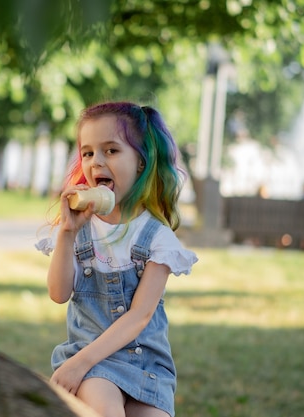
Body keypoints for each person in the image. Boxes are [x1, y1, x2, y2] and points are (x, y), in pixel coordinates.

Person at [36, 101, 197, 417]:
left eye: (111, 150)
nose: (96, 162)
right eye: (88, 153)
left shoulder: (157, 238)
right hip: (90, 360)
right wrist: (67, 233)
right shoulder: (78, 229)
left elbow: (140, 316)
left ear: (140, 161)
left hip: (147, 366)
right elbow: (58, 294)